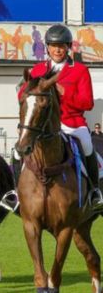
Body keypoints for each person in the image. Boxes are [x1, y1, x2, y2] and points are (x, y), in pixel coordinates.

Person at [19, 24, 103, 210]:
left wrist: (65, 93)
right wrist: (27, 93)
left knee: (87, 145)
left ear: (68, 47)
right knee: (20, 148)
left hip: (72, 123)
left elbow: (87, 103)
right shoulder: (37, 69)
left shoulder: (80, 70)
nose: (57, 49)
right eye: (53, 45)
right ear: (47, 47)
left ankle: (95, 191)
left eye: (62, 45)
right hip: (43, 125)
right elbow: (22, 94)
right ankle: (16, 194)